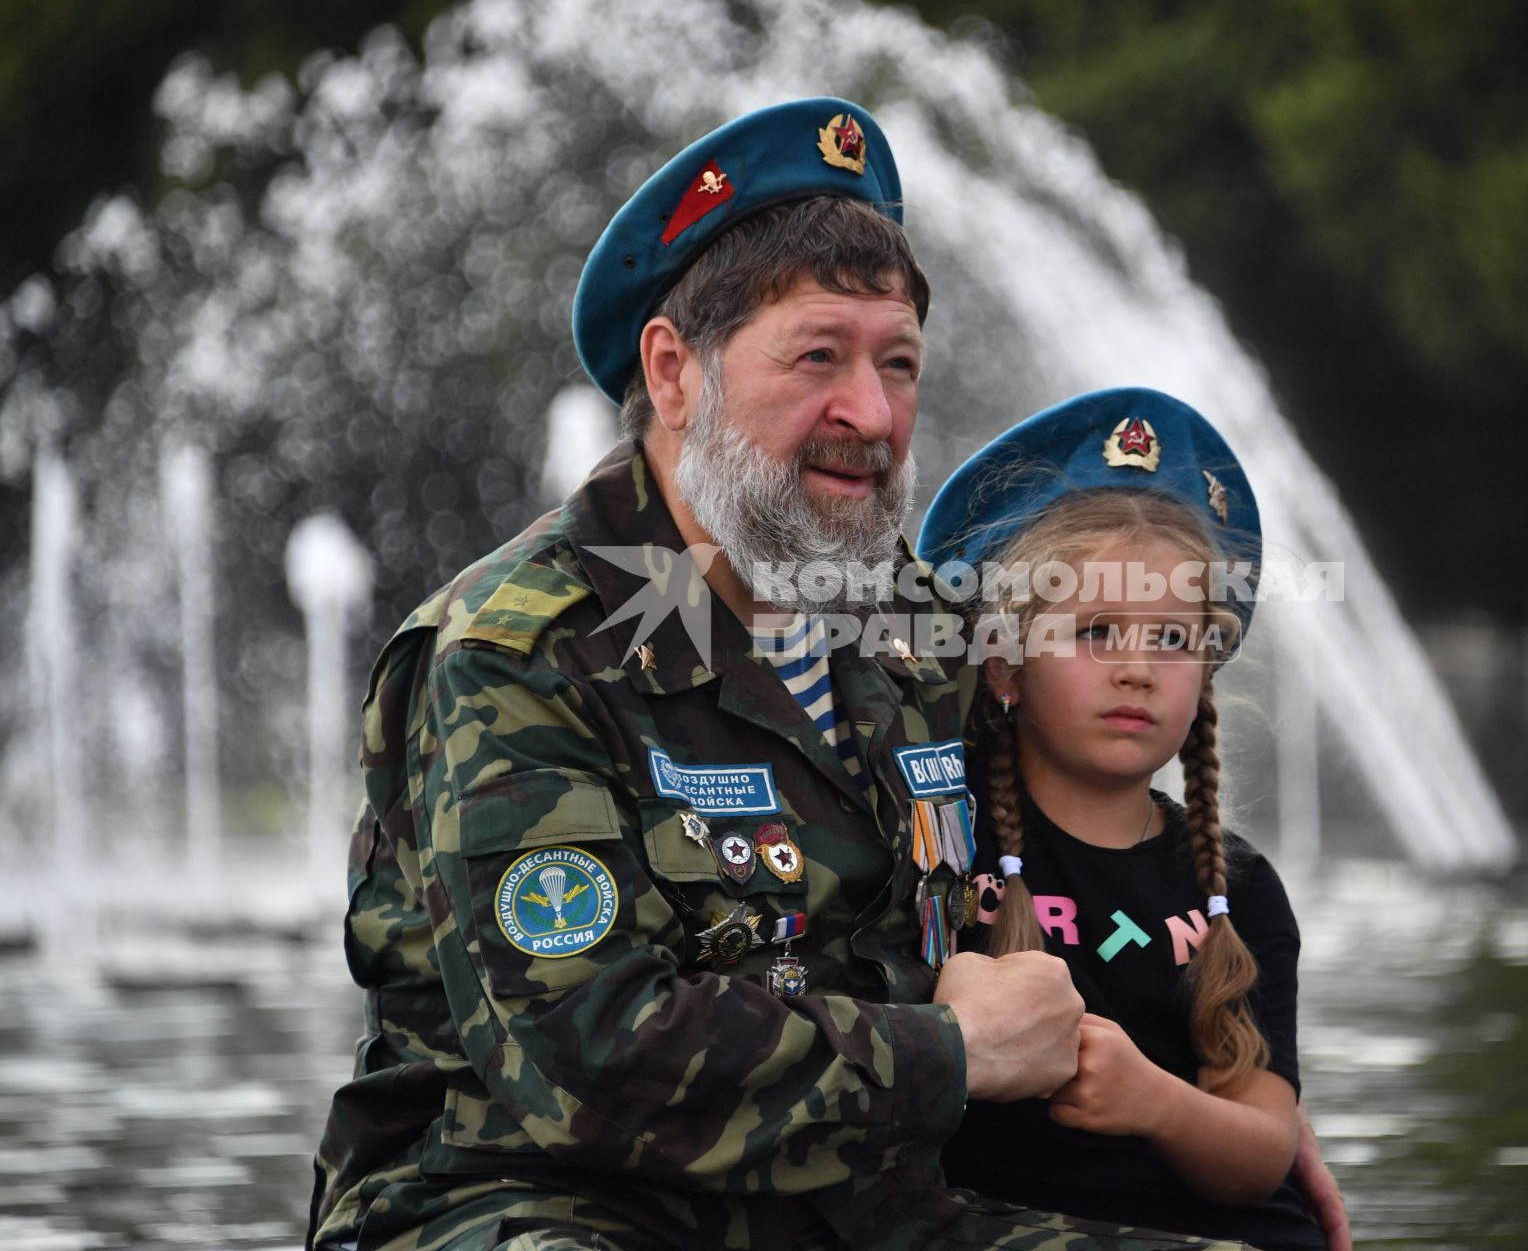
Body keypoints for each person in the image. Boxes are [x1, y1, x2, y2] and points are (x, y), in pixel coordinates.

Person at [306, 100, 1341, 1251]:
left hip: (863, 1208)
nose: (873, 413)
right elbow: (585, 1057)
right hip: (532, 1204)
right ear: (674, 371)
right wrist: (952, 1055)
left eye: (898, 364)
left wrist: (1238, 1112)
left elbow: (1087, 836)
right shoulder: (518, 651)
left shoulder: (917, 628)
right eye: (819, 357)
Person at [917, 389, 1333, 1250]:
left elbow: (1264, 1151)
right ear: (1003, 665)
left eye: (1174, 641)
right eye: (1097, 630)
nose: (1138, 670)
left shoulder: (1239, 889)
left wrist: (1154, 1102)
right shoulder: (940, 841)